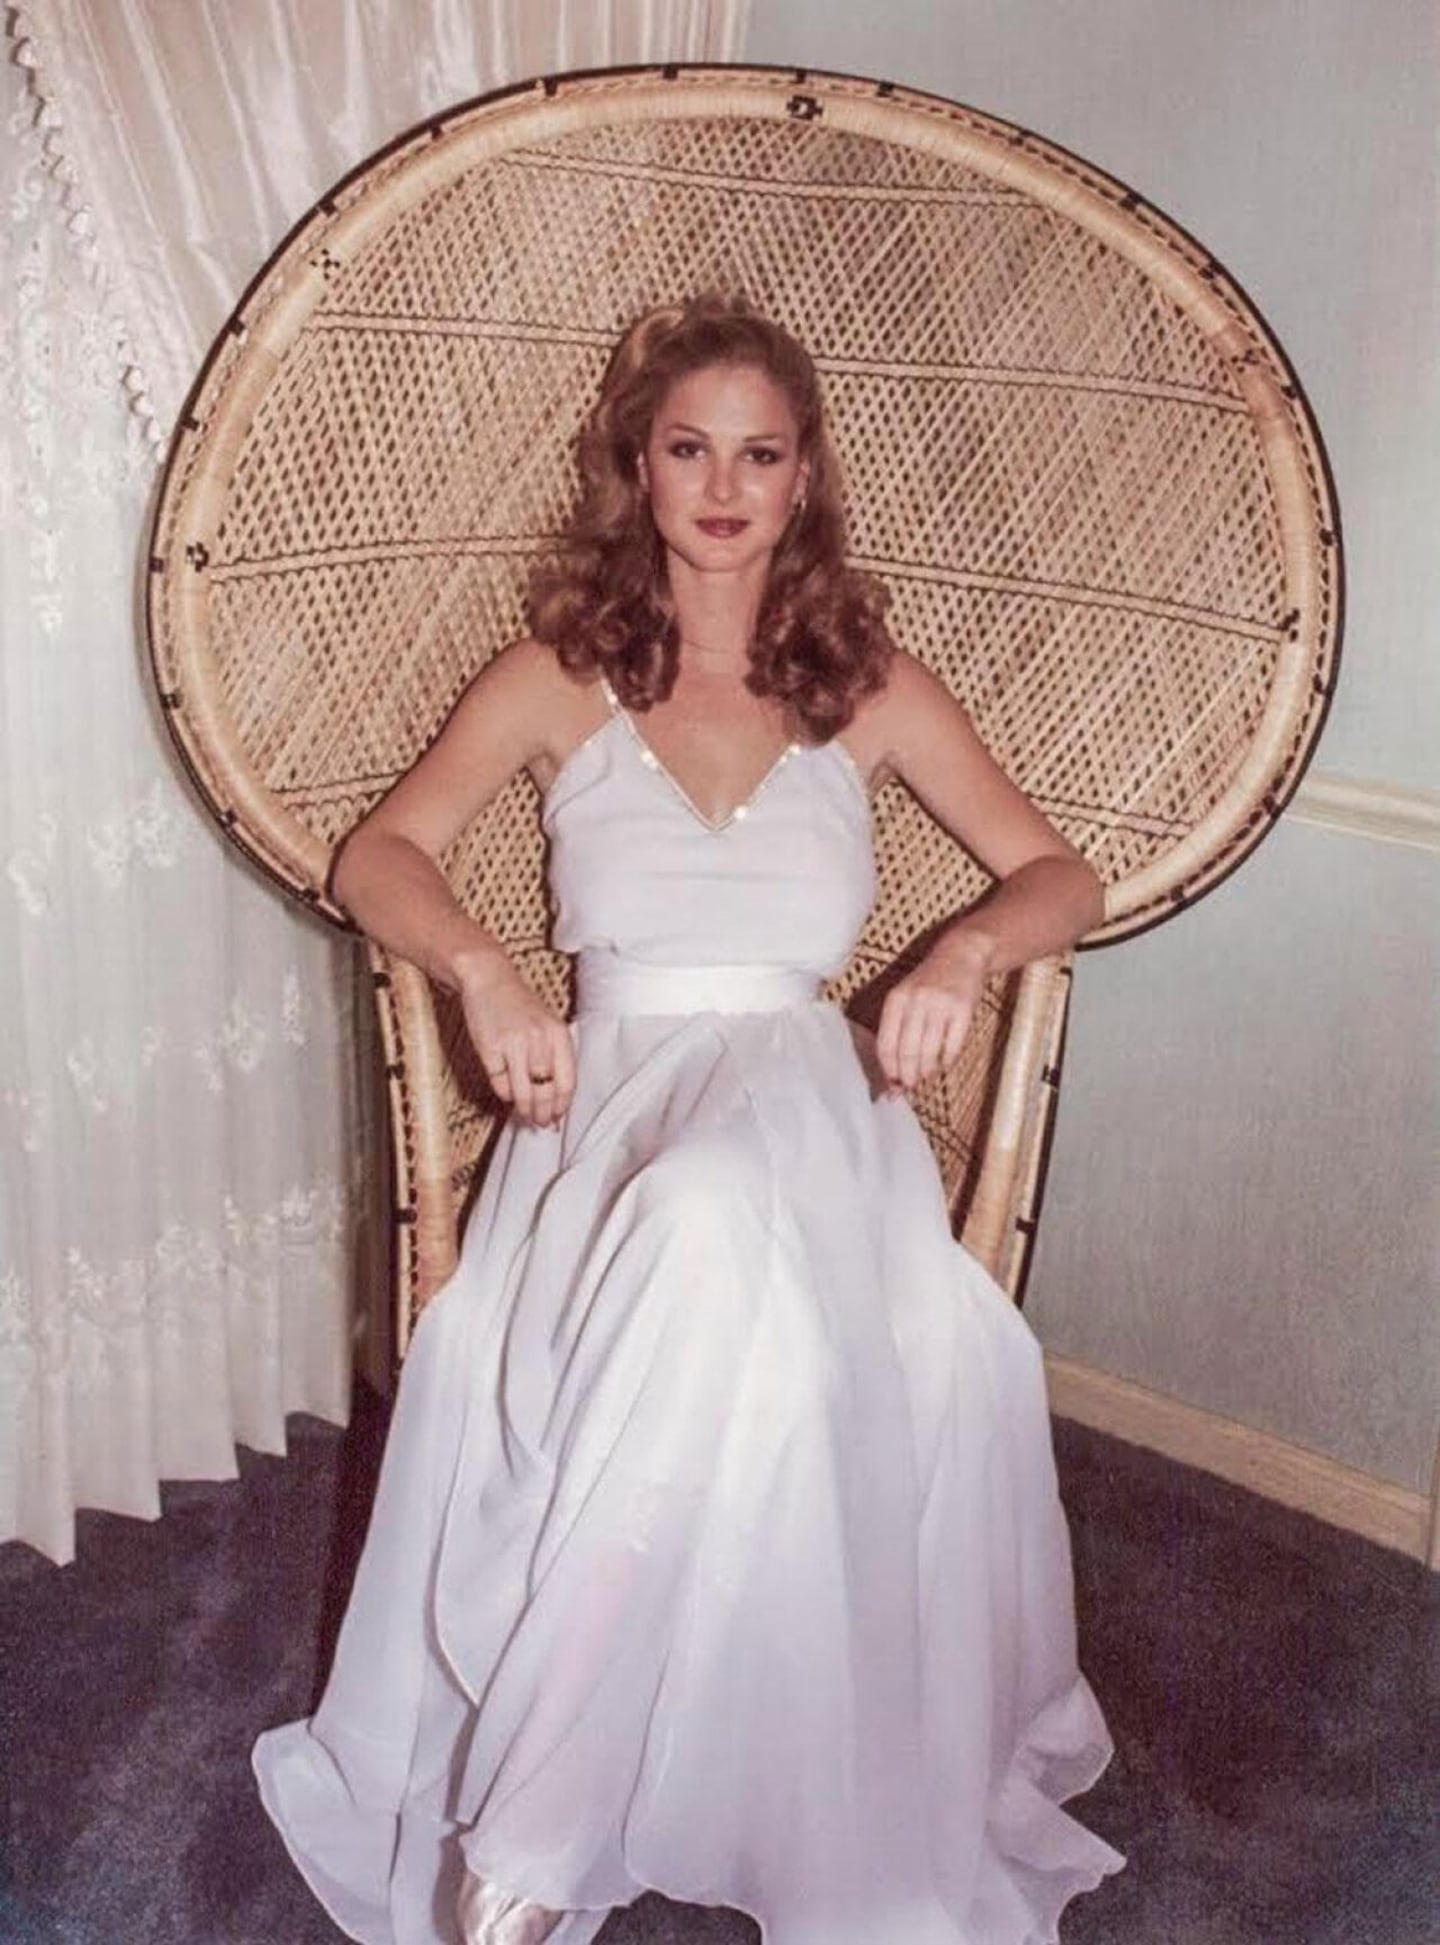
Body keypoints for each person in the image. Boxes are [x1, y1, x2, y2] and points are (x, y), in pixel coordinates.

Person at [253, 292, 1124, 1945]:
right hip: (610, 1106)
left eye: (760, 453)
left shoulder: (867, 688)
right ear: (638, 468)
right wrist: (482, 971)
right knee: (692, 1216)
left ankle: (537, 1831)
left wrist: (966, 950)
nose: (724, 486)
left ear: (805, 479)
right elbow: (381, 852)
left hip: (809, 1101)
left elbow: (1059, 874)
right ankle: (576, 1802)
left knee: (726, 1213)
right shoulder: (560, 677)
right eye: (688, 448)